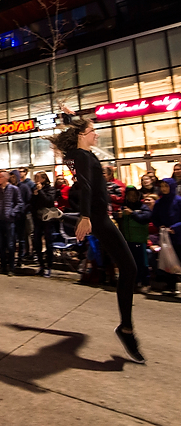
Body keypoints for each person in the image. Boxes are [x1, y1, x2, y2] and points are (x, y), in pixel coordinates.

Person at [48, 118, 145, 364]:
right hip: (98, 217)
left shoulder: (83, 153)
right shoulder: (80, 155)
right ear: (82, 135)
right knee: (129, 268)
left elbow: (90, 179)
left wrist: (72, 118)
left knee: (129, 268)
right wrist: (85, 216)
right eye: (93, 132)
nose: (97, 135)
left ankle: (126, 328)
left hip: (102, 216)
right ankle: (126, 329)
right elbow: (87, 186)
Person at [115, 186, 152, 291]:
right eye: (130, 195)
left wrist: (132, 213)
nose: (132, 197)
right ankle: (134, 282)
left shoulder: (143, 207)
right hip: (127, 239)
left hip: (139, 239)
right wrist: (118, 215)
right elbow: (115, 216)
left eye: (134, 195)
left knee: (142, 262)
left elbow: (145, 219)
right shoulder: (123, 207)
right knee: (130, 263)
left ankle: (145, 283)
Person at [151, 178, 181, 295]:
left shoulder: (178, 201)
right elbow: (155, 217)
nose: (164, 189)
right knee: (169, 260)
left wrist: (175, 228)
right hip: (165, 236)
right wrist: (160, 226)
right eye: (162, 186)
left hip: (178, 235)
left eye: (166, 186)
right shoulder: (160, 202)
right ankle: (171, 284)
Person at [0, 170, 24, 276]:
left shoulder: (14, 189)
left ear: (6, 178)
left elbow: (19, 203)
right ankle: (3, 266)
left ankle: (11, 267)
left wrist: (12, 212)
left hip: (9, 220)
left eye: (1, 177)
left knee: (10, 244)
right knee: (0, 244)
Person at [30, 171, 56, 277]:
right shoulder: (35, 189)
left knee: (48, 242)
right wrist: (35, 195)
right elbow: (32, 203)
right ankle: (41, 265)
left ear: (44, 179)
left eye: (38, 177)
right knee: (36, 241)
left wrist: (40, 191)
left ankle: (49, 266)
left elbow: (48, 201)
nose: (36, 180)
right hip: (37, 219)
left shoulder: (51, 189)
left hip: (47, 219)